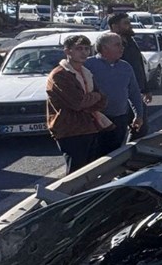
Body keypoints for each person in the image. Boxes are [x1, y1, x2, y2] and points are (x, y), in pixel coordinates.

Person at [46, 34, 112, 174]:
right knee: (76, 173)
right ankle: (71, 196)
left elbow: (102, 101)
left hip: (90, 126)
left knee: (90, 172)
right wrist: (95, 97)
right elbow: (78, 102)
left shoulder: (86, 72)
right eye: (79, 48)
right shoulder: (60, 75)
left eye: (87, 49)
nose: (84, 53)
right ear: (67, 51)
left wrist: (95, 97)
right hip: (70, 130)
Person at [84, 32, 145, 155]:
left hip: (119, 119)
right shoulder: (88, 65)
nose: (122, 48)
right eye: (117, 45)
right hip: (96, 120)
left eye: (122, 45)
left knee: (116, 154)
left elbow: (134, 92)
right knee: (96, 156)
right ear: (104, 48)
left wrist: (139, 115)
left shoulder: (125, 67)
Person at [108, 13, 150, 136]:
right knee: (118, 132)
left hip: (136, 92)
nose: (130, 25)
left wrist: (146, 89)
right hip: (120, 95)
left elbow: (139, 65)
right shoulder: (108, 45)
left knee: (140, 128)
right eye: (125, 23)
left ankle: (134, 154)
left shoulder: (131, 41)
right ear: (115, 27)